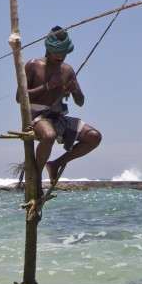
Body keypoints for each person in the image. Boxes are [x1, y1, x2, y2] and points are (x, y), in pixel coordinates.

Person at [21, 26, 102, 194]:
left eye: (63, 53)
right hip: (37, 116)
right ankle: (36, 177)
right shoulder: (33, 65)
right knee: (49, 136)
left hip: (58, 116)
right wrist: (47, 86)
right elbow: (19, 97)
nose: (60, 57)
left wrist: (75, 90)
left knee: (94, 137)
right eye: (57, 53)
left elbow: (80, 102)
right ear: (48, 49)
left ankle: (55, 164)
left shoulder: (67, 70)